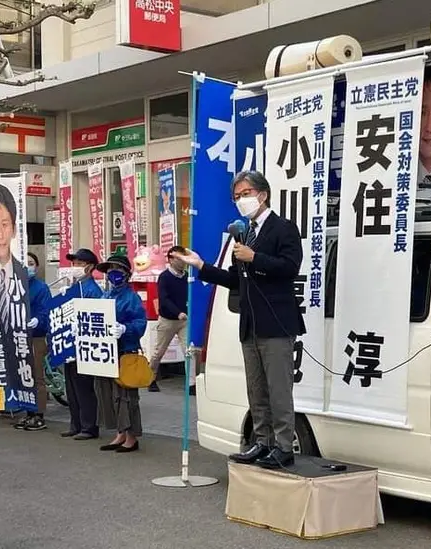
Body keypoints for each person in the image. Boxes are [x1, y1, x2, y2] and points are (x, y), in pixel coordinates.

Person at [176, 170, 304, 468]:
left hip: (277, 323)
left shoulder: (283, 228)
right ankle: (262, 442)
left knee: (278, 388)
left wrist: (254, 257)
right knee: (256, 388)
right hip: (250, 322)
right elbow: (237, 279)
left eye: (245, 194)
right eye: (236, 197)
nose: (241, 201)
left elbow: (289, 267)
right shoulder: (244, 233)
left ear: (263, 194)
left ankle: (284, 446)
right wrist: (202, 266)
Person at [0, 183, 32, 402]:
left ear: (14, 228)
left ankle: (26, 407)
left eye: (5, 224)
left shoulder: (24, 275)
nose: (0, 234)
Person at [94, 255, 148, 453]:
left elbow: (140, 324)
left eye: (117, 269)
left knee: (126, 395)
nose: (112, 273)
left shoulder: (131, 297)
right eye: (109, 270)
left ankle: (132, 436)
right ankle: (120, 432)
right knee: (108, 394)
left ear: (127, 274)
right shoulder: (105, 296)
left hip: (125, 351)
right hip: (106, 352)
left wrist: (125, 329)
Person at [60, 248, 103, 440]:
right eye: (74, 263)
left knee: (84, 387)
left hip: (84, 346)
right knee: (71, 387)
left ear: (90, 267)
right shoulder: (73, 287)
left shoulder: (93, 290)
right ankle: (75, 424)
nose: (75, 267)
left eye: (79, 263)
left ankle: (89, 426)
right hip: (69, 343)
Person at [16, 252, 51, 431]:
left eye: (31, 263)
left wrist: (38, 320)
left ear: (36, 266)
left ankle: (38, 415)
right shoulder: (15, 285)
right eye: (25, 263)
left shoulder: (41, 288)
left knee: (37, 376)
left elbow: (47, 311)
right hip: (18, 336)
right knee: (23, 376)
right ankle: (28, 412)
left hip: (36, 337)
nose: (28, 267)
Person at [148, 245, 188, 392]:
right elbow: (164, 299)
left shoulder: (187, 276)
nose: (182, 261)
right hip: (167, 319)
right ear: (170, 260)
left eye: (183, 257)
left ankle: (191, 384)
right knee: (159, 352)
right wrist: (177, 312)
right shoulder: (164, 277)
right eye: (178, 258)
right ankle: (150, 378)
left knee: (189, 351)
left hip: (184, 321)